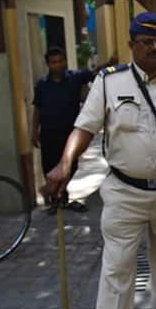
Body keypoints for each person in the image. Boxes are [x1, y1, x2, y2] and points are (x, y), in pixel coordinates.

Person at [44, 11, 156, 309]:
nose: (154, 48)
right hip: (126, 195)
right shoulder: (109, 82)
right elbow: (83, 128)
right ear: (132, 45)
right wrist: (65, 163)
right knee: (118, 271)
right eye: (146, 42)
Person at [32, 46, 113, 213]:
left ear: (65, 61)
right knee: (49, 166)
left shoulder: (75, 78)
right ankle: (57, 201)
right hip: (48, 132)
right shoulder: (42, 85)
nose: (58, 65)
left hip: (70, 132)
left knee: (72, 164)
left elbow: (94, 72)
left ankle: (58, 194)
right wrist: (34, 131)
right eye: (54, 62)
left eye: (60, 61)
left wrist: (110, 63)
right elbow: (37, 109)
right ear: (48, 64)